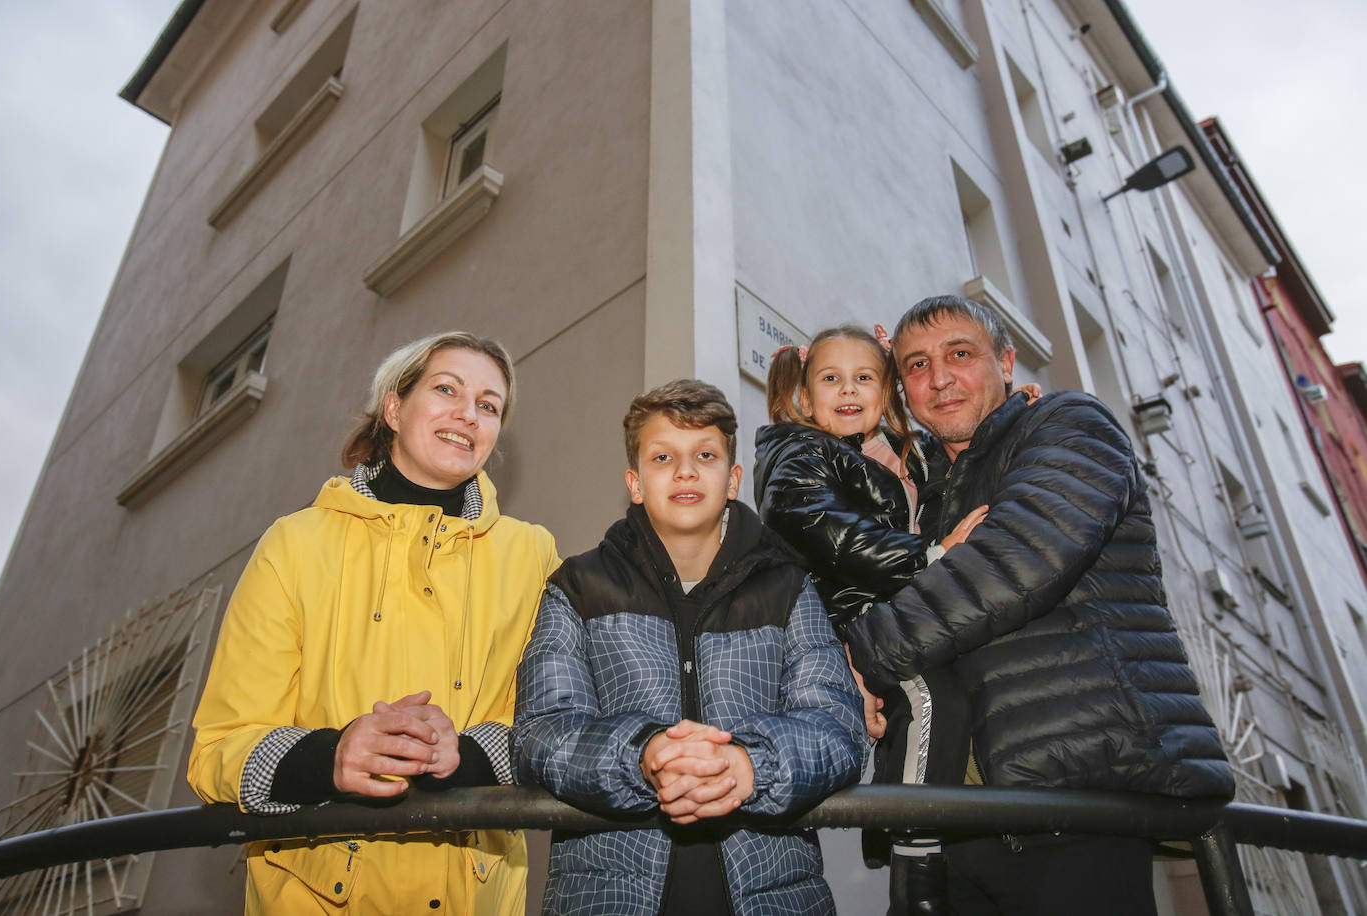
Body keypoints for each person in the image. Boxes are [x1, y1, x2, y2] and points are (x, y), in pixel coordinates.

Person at [844, 296, 1235, 915]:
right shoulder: (929, 496)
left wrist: (862, 654)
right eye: (915, 365)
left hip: (1071, 803)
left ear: (1006, 360)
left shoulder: (1069, 423)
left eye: (960, 354)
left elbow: (1016, 559)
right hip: (950, 822)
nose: (939, 377)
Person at [188, 331, 558, 914]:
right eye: (446, 389)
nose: (468, 413)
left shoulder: (533, 555)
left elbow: (554, 728)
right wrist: (332, 757)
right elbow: (220, 750)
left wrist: (462, 755)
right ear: (394, 405)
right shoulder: (295, 543)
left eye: (489, 405)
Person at [512, 379, 868, 915]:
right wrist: (642, 756)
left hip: (774, 894)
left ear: (733, 479)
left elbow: (839, 728)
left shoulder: (789, 587)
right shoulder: (578, 587)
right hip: (609, 896)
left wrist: (750, 764)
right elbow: (540, 732)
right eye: (663, 457)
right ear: (635, 483)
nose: (685, 471)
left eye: (705, 454)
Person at [752, 323, 989, 915]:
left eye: (865, 378)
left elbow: (959, 460)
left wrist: (1010, 411)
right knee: (934, 699)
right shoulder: (800, 450)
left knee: (938, 707)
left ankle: (910, 833)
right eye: (831, 379)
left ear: (886, 394)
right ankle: (917, 872)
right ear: (805, 397)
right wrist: (927, 558)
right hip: (847, 618)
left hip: (898, 613)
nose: (849, 390)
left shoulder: (895, 455)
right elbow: (816, 524)